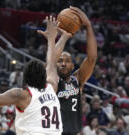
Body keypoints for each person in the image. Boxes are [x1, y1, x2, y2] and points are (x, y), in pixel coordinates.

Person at [0, 16, 71, 135]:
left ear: (26, 77)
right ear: (44, 76)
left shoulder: (21, 95)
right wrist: (56, 39)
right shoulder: (52, 87)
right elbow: (51, 63)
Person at [56, 6, 97, 135]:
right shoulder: (50, 80)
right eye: (60, 60)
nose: (63, 64)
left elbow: (91, 59)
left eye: (67, 61)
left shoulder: (77, 80)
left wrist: (88, 27)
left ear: (73, 66)